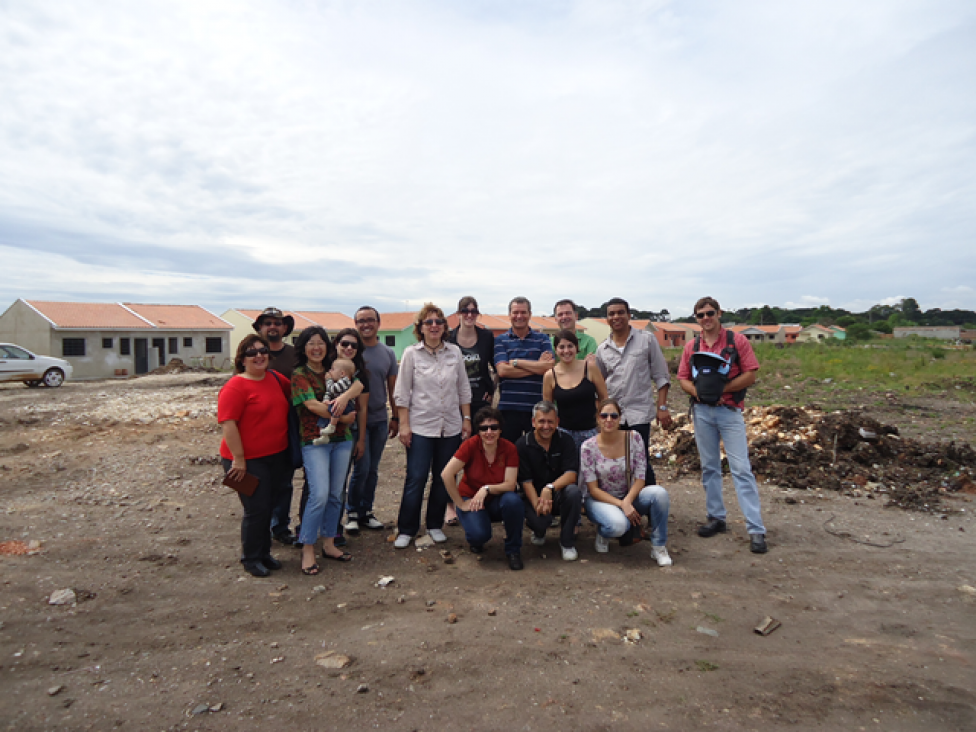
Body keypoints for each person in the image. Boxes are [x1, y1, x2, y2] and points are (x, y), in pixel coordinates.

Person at [677, 296, 768, 554]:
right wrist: (698, 393)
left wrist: (722, 390)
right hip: (702, 412)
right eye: (700, 315)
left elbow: (750, 373)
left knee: (740, 468)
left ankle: (756, 528)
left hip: (729, 411)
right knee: (709, 467)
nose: (706, 319)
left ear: (719, 314)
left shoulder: (736, 341)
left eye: (710, 313)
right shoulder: (692, 346)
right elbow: (682, 377)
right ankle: (716, 517)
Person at [393, 304, 472, 549]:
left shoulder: (455, 353)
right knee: (416, 478)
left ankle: (435, 525)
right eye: (429, 322)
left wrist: (466, 419)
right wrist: (404, 425)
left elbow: (463, 388)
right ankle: (407, 528)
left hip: (450, 426)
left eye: (439, 322)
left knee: (443, 478)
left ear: (445, 327)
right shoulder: (411, 354)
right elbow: (402, 393)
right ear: (421, 328)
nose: (434, 326)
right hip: (420, 427)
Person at [218, 334, 292, 577]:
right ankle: (250, 558)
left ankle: (265, 553)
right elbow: (228, 424)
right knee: (256, 509)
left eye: (262, 351)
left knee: (269, 507)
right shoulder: (235, 386)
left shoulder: (274, 378)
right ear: (242, 359)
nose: (259, 356)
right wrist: (239, 460)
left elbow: (296, 393)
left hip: (276, 455)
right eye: (252, 352)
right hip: (245, 460)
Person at [291, 327, 363, 575]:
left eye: (320, 342)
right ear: (304, 347)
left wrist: (345, 399)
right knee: (319, 494)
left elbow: (359, 384)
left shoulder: (337, 369)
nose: (316, 348)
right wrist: (343, 416)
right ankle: (308, 547)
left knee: (336, 494)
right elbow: (312, 406)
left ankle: (329, 543)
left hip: (342, 441)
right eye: (311, 343)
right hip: (314, 441)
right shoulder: (300, 374)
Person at [580, 397, 672, 566]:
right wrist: (622, 505)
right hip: (601, 499)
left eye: (614, 416)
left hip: (629, 494)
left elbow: (640, 477)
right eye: (604, 416)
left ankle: (659, 546)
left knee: (660, 494)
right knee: (618, 526)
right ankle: (604, 531)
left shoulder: (634, 438)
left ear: (620, 418)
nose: (609, 420)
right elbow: (593, 489)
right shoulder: (588, 447)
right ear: (598, 419)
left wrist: (628, 501)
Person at [595, 297, 673, 485]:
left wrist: (662, 407)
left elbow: (661, 376)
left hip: (639, 414)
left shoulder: (646, 340)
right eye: (611, 314)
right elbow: (599, 386)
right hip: (614, 417)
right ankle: (625, 506)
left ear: (629, 315)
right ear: (607, 319)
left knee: (641, 461)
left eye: (620, 312)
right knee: (618, 463)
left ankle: (652, 505)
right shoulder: (602, 350)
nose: (616, 317)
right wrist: (600, 415)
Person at [441, 407, 525, 570]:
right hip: (471, 499)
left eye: (494, 427)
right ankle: (476, 538)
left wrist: (486, 489)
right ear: (478, 431)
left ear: (500, 429)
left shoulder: (509, 448)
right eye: (483, 428)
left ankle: (513, 550)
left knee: (513, 501)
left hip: (496, 499)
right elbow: (446, 474)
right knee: (479, 535)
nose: (489, 432)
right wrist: (459, 503)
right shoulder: (470, 445)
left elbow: (510, 484)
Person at [344, 307, 398, 533]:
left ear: (378, 322)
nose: (366, 324)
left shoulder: (387, 353)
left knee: (373, 469)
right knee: (361, 467)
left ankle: (367, 511)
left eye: (370, 320)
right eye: (361, 321)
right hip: (355, 420)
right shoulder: (350, 351)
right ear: (355, 324)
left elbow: (393, 388)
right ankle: (353, 512)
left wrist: (395, 416)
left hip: (379, 419)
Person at [444, 295, 497, 526]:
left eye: (474, 311)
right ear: (458, 314)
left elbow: (496, 368)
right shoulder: (448, 337)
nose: (469, 315)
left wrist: (491, 389)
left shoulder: (486, 337)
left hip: (479, 404)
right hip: (452, 404)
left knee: (479, 452)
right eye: (465, 311)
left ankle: (477, 496)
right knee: (452, 454)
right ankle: (449, 505)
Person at [252, 307, 298, 545]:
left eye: (277, 323)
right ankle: (257, 529)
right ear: (260, 328)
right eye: (267, 322)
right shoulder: (251, 354)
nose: (273, 326)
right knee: (255, 484)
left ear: (285, 328)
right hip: (255, 429)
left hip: (287, 427)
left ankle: (280, 527)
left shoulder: (294, 354)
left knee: (283, 482)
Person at [515, 401, 582, 561]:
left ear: (557, 422)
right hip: (532, 496)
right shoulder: (522, 445)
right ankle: (539, 530)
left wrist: (550, 488)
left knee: (574, 492)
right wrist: (538, 503)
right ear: (533, 422)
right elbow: (526, 481)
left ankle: (567, 542)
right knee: (539, 522)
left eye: (550, 421)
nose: (546, 426)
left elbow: (571, 474)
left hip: (558, 493)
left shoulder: (566, 440)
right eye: (541, 421)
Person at [494, 296, 555, 444]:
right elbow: (502, 371)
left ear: (530, 314)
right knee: (508, 454)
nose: (519, 316)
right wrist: (536, 367)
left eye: (523, 312)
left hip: (536, 409)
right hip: (508, 408)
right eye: (515, 312)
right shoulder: (501, 340)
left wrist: (516, 362)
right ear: (509, 315)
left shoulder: (542, 339)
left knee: (536, 453)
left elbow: (549, 367)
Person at [543, 329, 608, 464]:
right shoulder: (550, 375)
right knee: (568, 474)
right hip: (563, 435)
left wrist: (603, 425)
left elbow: (605, 400)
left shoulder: (590, 368)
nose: (566, 351)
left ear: (577, 348)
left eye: (570, 346)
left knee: (592, 475)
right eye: (562, 347)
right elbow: (547, 410)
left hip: (591, 433)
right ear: (555, 350)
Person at [312, 358, 357, 445]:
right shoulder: (336, 381)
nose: (330, 371)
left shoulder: (346, 381)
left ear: (342, 373)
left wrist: (328, 380)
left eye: (332, 369)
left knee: (335, 407)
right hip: (337, 404)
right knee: (324, 413)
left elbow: (332, 390)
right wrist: (326, 400)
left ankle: (332, 426)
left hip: (347, 406)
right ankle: (324, 435)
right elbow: (328, 393)